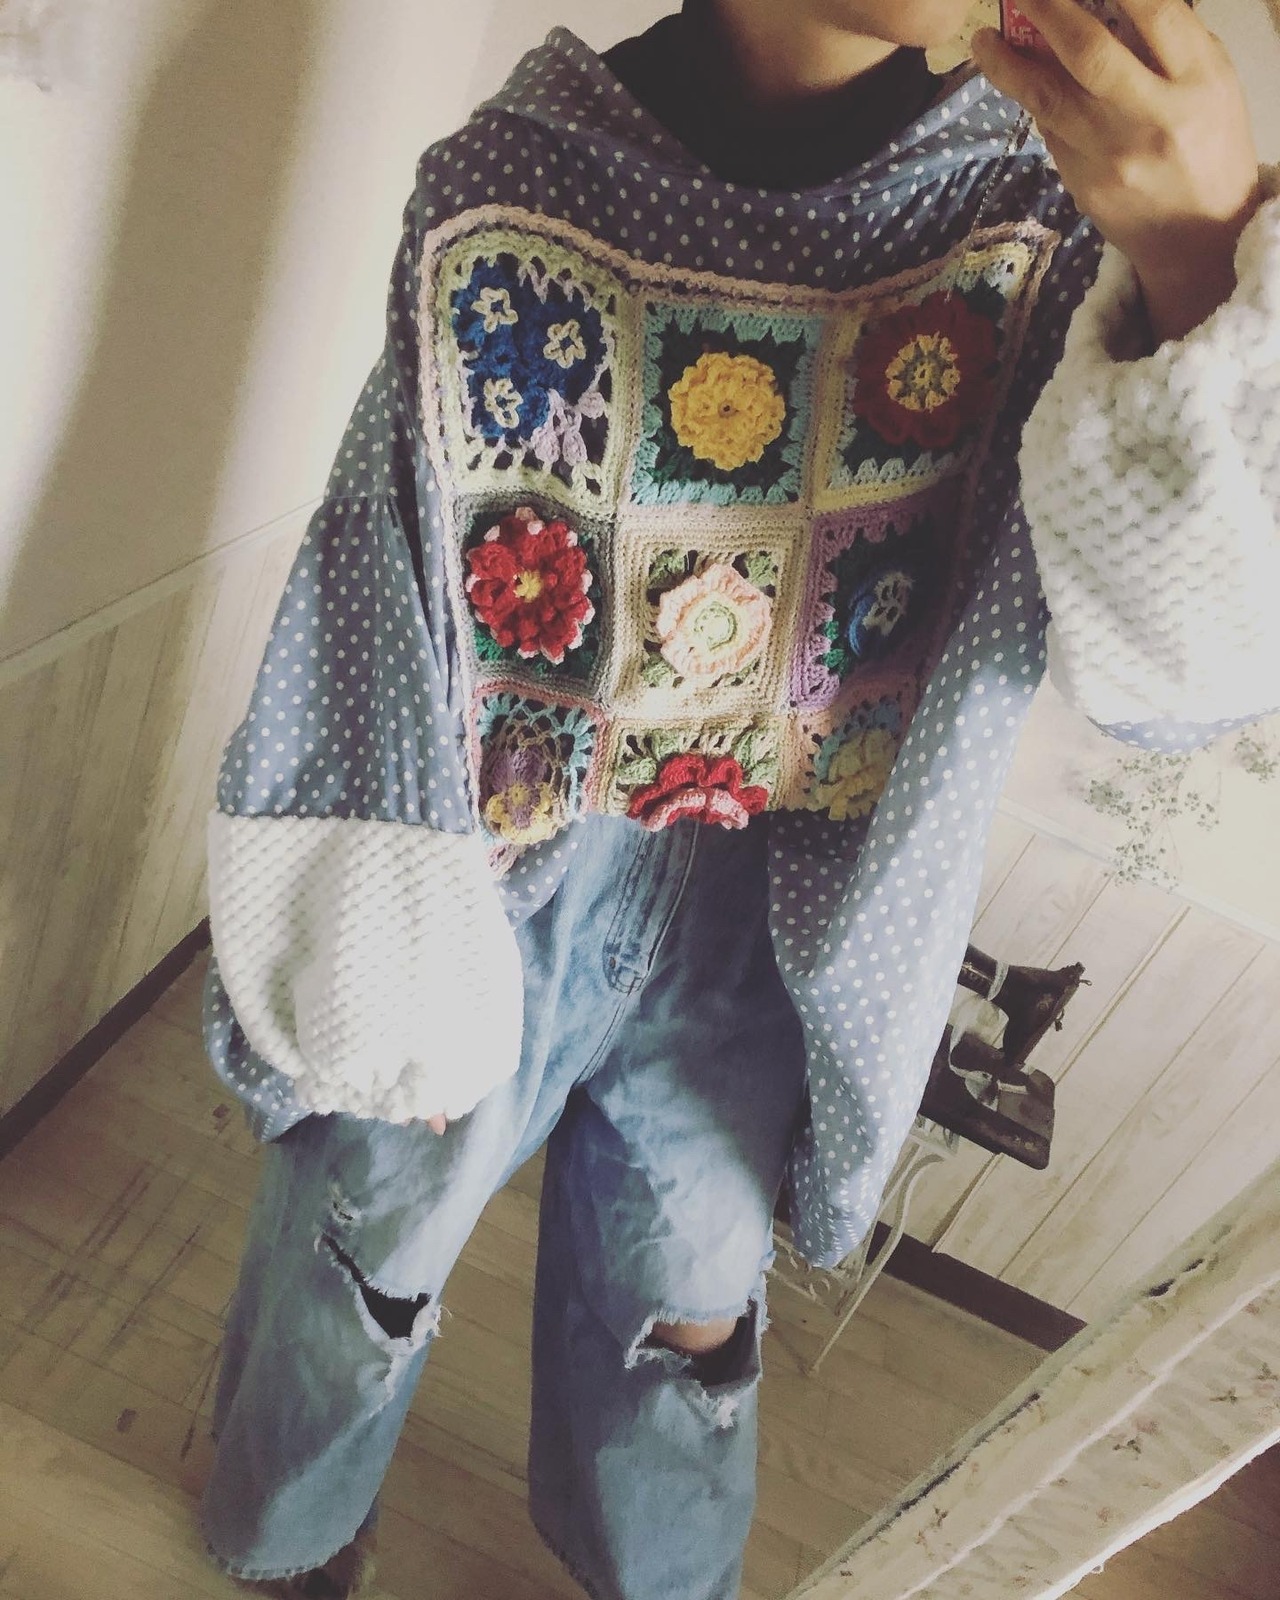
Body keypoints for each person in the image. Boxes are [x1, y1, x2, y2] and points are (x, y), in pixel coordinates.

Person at [197, 1, 1279, 1595]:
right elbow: (382, 580)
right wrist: (361, 972)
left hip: (778, 909)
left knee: (688, 1310)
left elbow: (1181, 681)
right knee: (364, 1234)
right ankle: (286, 1535)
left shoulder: (1040, 230)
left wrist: (1204, 265)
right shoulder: (510, 184)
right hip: (490, 863)